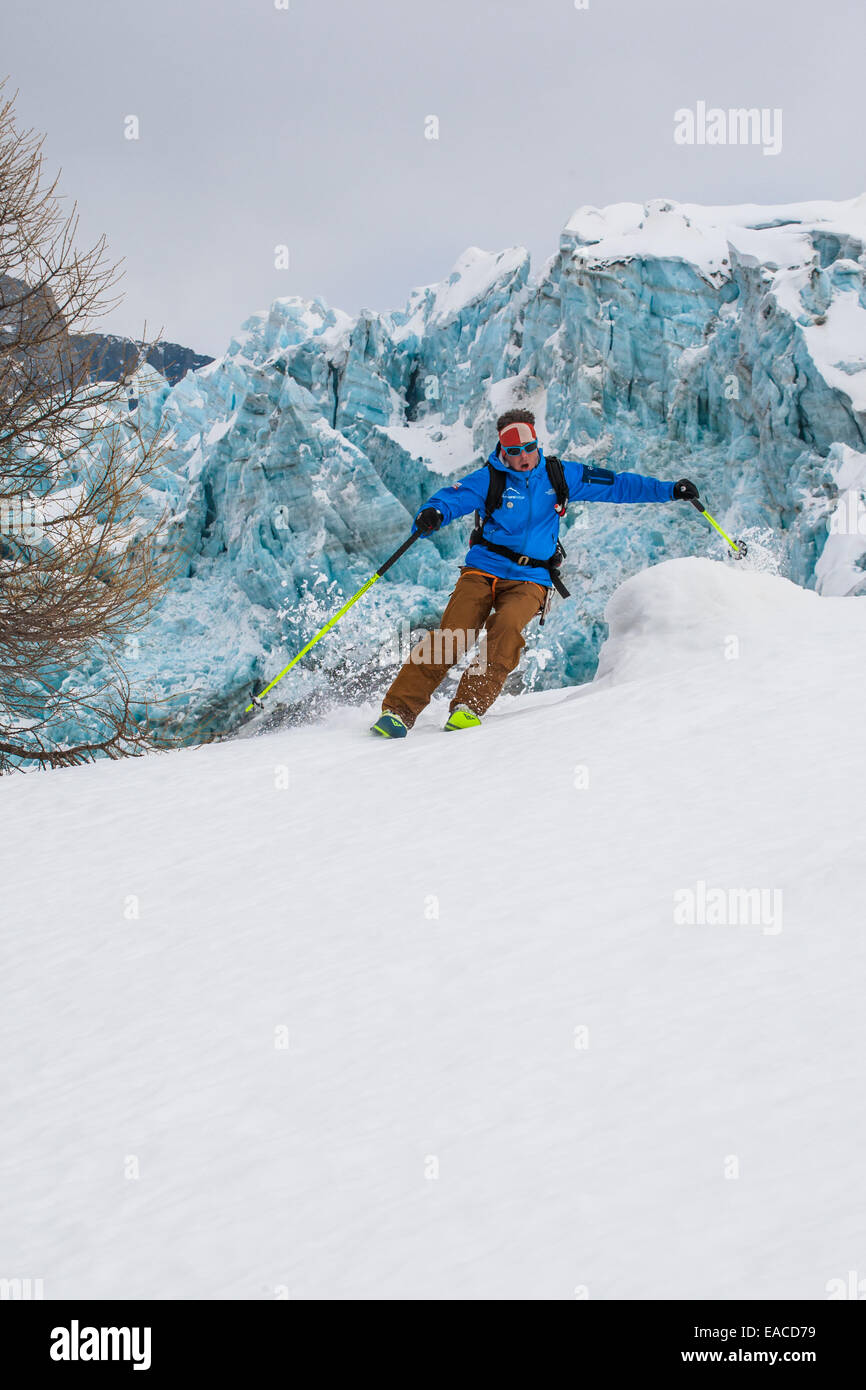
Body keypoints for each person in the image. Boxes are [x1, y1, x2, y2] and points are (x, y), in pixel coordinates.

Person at [371, 408, 699, 737]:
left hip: (533, 578)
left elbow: (617, 485)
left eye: (528, 448)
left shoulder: (559, 475)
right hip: (483, 569)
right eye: (514, 452)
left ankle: (468, 705)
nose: (523, 457)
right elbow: (449, 499)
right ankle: (398, 711)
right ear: (503, 451)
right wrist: (432, 514)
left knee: (508, 626)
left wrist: (670, 490)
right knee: (453, 634)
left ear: (537, 444)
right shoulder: (489, 478)